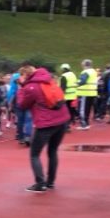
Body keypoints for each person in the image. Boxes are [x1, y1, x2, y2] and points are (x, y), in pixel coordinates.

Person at [17, 64, 71, 193]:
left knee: (34, 154)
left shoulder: (31, 87)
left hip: (46, 123)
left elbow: (22, 104)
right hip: (62, 120)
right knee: (52, 151)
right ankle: (50, 182)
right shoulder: (49, 80)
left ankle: (40, 183)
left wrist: (21, 88)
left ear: (25, 75)